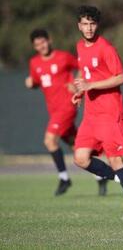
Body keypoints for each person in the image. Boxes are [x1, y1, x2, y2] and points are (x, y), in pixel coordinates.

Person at [72, 5, 123, 219]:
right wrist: (80, 91)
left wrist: (91, 86)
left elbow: (120, 77)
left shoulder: (105, 47)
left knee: (115, 160)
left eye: (92, 24)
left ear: (97, 25)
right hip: (91, 114)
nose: (88, 28)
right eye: (85, 24)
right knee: (80, 158)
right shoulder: (79, 46)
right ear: (79, 25)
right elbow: (84, 74)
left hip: (110, 112)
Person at [25, 29, 108, 196]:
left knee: (49, 141)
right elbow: (34, 81)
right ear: (34, 47)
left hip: (67, 107)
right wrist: (30, 83)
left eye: (43, 42)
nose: (41, 46)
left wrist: (76, 84)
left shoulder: (63, 57)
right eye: (37, 44)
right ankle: (101, 175)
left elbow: (82, 66)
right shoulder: (34, 63)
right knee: (77, 147)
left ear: (49, 40)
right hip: (53, 110)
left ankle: (64, 178)